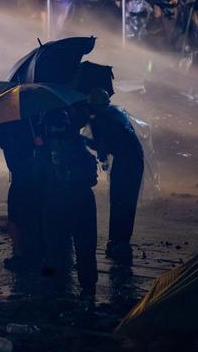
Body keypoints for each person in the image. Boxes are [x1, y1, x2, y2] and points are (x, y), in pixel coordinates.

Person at [38, 108, 98, 302]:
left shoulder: (43, 148)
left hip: (57, 201)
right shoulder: (80, 144)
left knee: (55, 247)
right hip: (80, 200)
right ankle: (88, 288)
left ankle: (54, 286)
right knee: (84, 247)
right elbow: (92, 178)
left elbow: (39, 178)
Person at [86, 88, 144, 265]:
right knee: (126, 201)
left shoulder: (99, 119)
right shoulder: (115, 112)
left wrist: (81, 140)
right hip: (133, 161)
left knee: (119, 199)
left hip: (125, 162)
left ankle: (118, 242)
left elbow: (102, 149)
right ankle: (121, 241)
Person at [0, 120, 43, 270]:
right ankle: (39, 252)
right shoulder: (33, 119)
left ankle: (20, 255)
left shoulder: (3, 123)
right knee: (36, 215)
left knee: (15, 218)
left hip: (20, 179)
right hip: (40, 178)